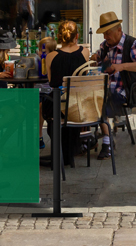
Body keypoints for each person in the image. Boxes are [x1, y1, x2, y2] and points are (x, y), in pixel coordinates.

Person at [91, 11, 136, 159]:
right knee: (87, 98)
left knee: (101, 101)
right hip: (105, 90)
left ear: (119, 30)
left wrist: (121, 66)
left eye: (108, 33)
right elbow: (98, 61)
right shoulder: (105, 46)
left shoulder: (131, 43)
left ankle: (107, 143)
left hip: (126, 93)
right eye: (103, 34)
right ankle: (83, 139)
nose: (105, 37)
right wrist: (95, 58)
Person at [43, 21, 89, 164]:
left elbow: (51, 82)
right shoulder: (85, 52)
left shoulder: (50, 57)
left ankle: (59, 154)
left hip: (58, 106)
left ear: (59, 37)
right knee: (68, 105)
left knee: (48, 104)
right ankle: (69, 153)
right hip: (79, 105)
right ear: (77, 36)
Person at [37, 37, 57, 149]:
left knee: (43, 106)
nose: (41, 53)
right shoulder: (37, 61)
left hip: (49, 93)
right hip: (38, 92)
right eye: (40, 50)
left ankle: (45, 134)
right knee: (39, 106)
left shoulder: (54, 62)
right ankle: (39, 135)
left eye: (44, 51)